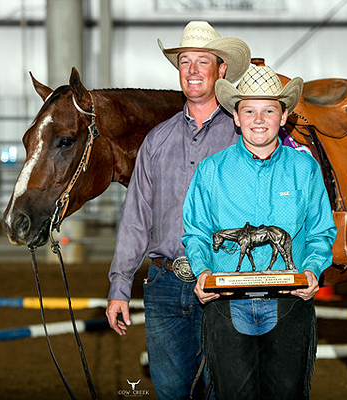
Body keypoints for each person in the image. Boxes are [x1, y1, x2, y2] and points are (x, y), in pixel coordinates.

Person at [105, 21, 251, 400]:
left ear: (221, 70)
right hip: (165, 286)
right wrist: (120, 286)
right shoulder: (158, 140)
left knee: (226, 391)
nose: (192, 70)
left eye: (203, 61)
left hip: (224, 282)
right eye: (185, 61)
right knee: (171, 393)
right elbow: (136, 217)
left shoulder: (241, 136)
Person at [182, 65, 337, 399]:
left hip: (289, 301)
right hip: (226, 303)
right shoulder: (211, 170)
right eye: (249, 110)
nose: (258, 119)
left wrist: (312, 268)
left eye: (269, 110)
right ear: (236, 117)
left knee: (287, 394)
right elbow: (196, 231)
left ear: (283, 117)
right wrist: (203, 270)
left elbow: (321, 230)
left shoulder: (304, 169)